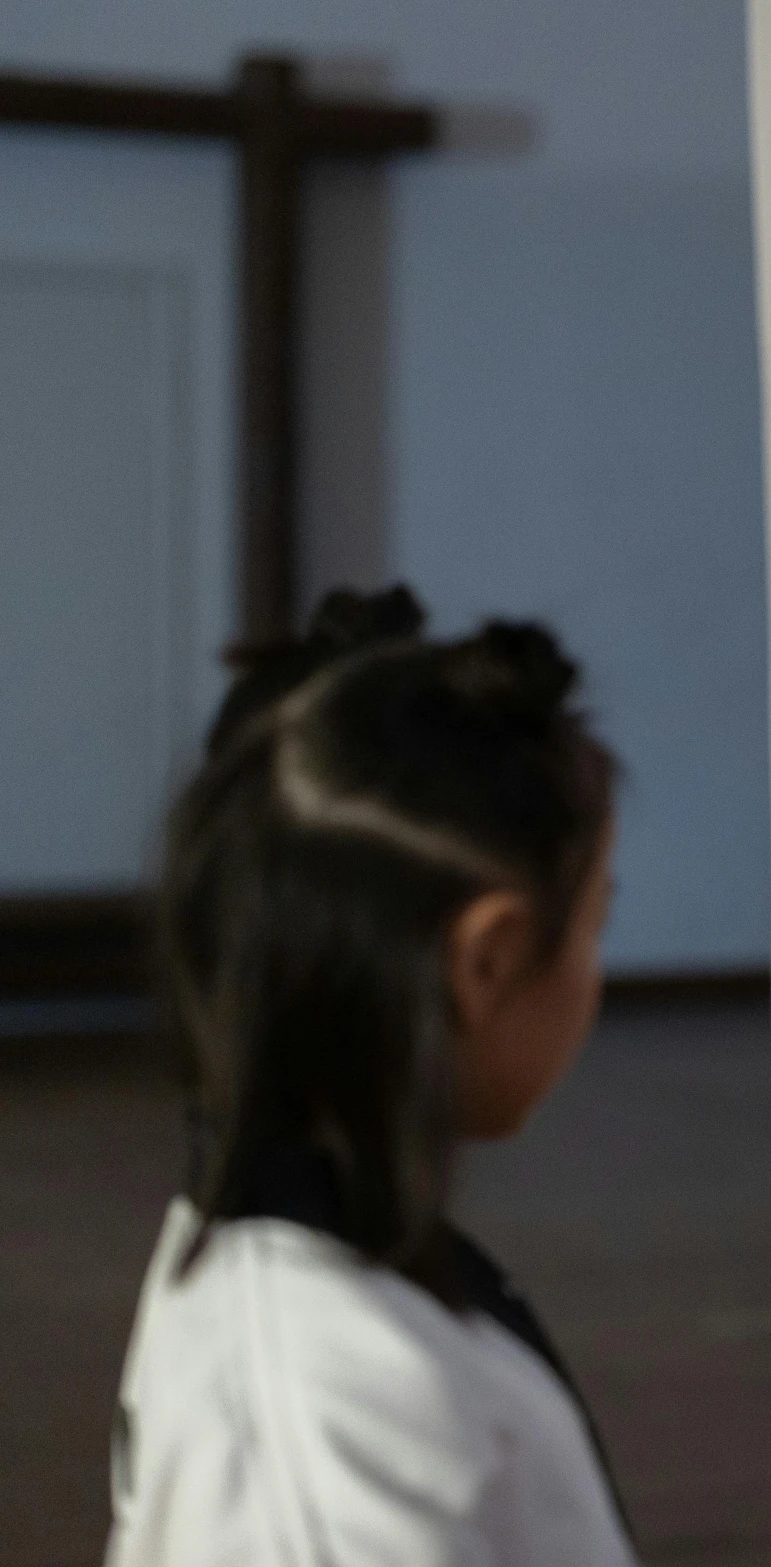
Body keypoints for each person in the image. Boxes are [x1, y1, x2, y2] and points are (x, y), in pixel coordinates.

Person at [105, 588, 635, 1567]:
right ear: (487, 960)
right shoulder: (322, 1428)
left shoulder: (329, 1276)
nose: (596, 967)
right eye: (597, 918)